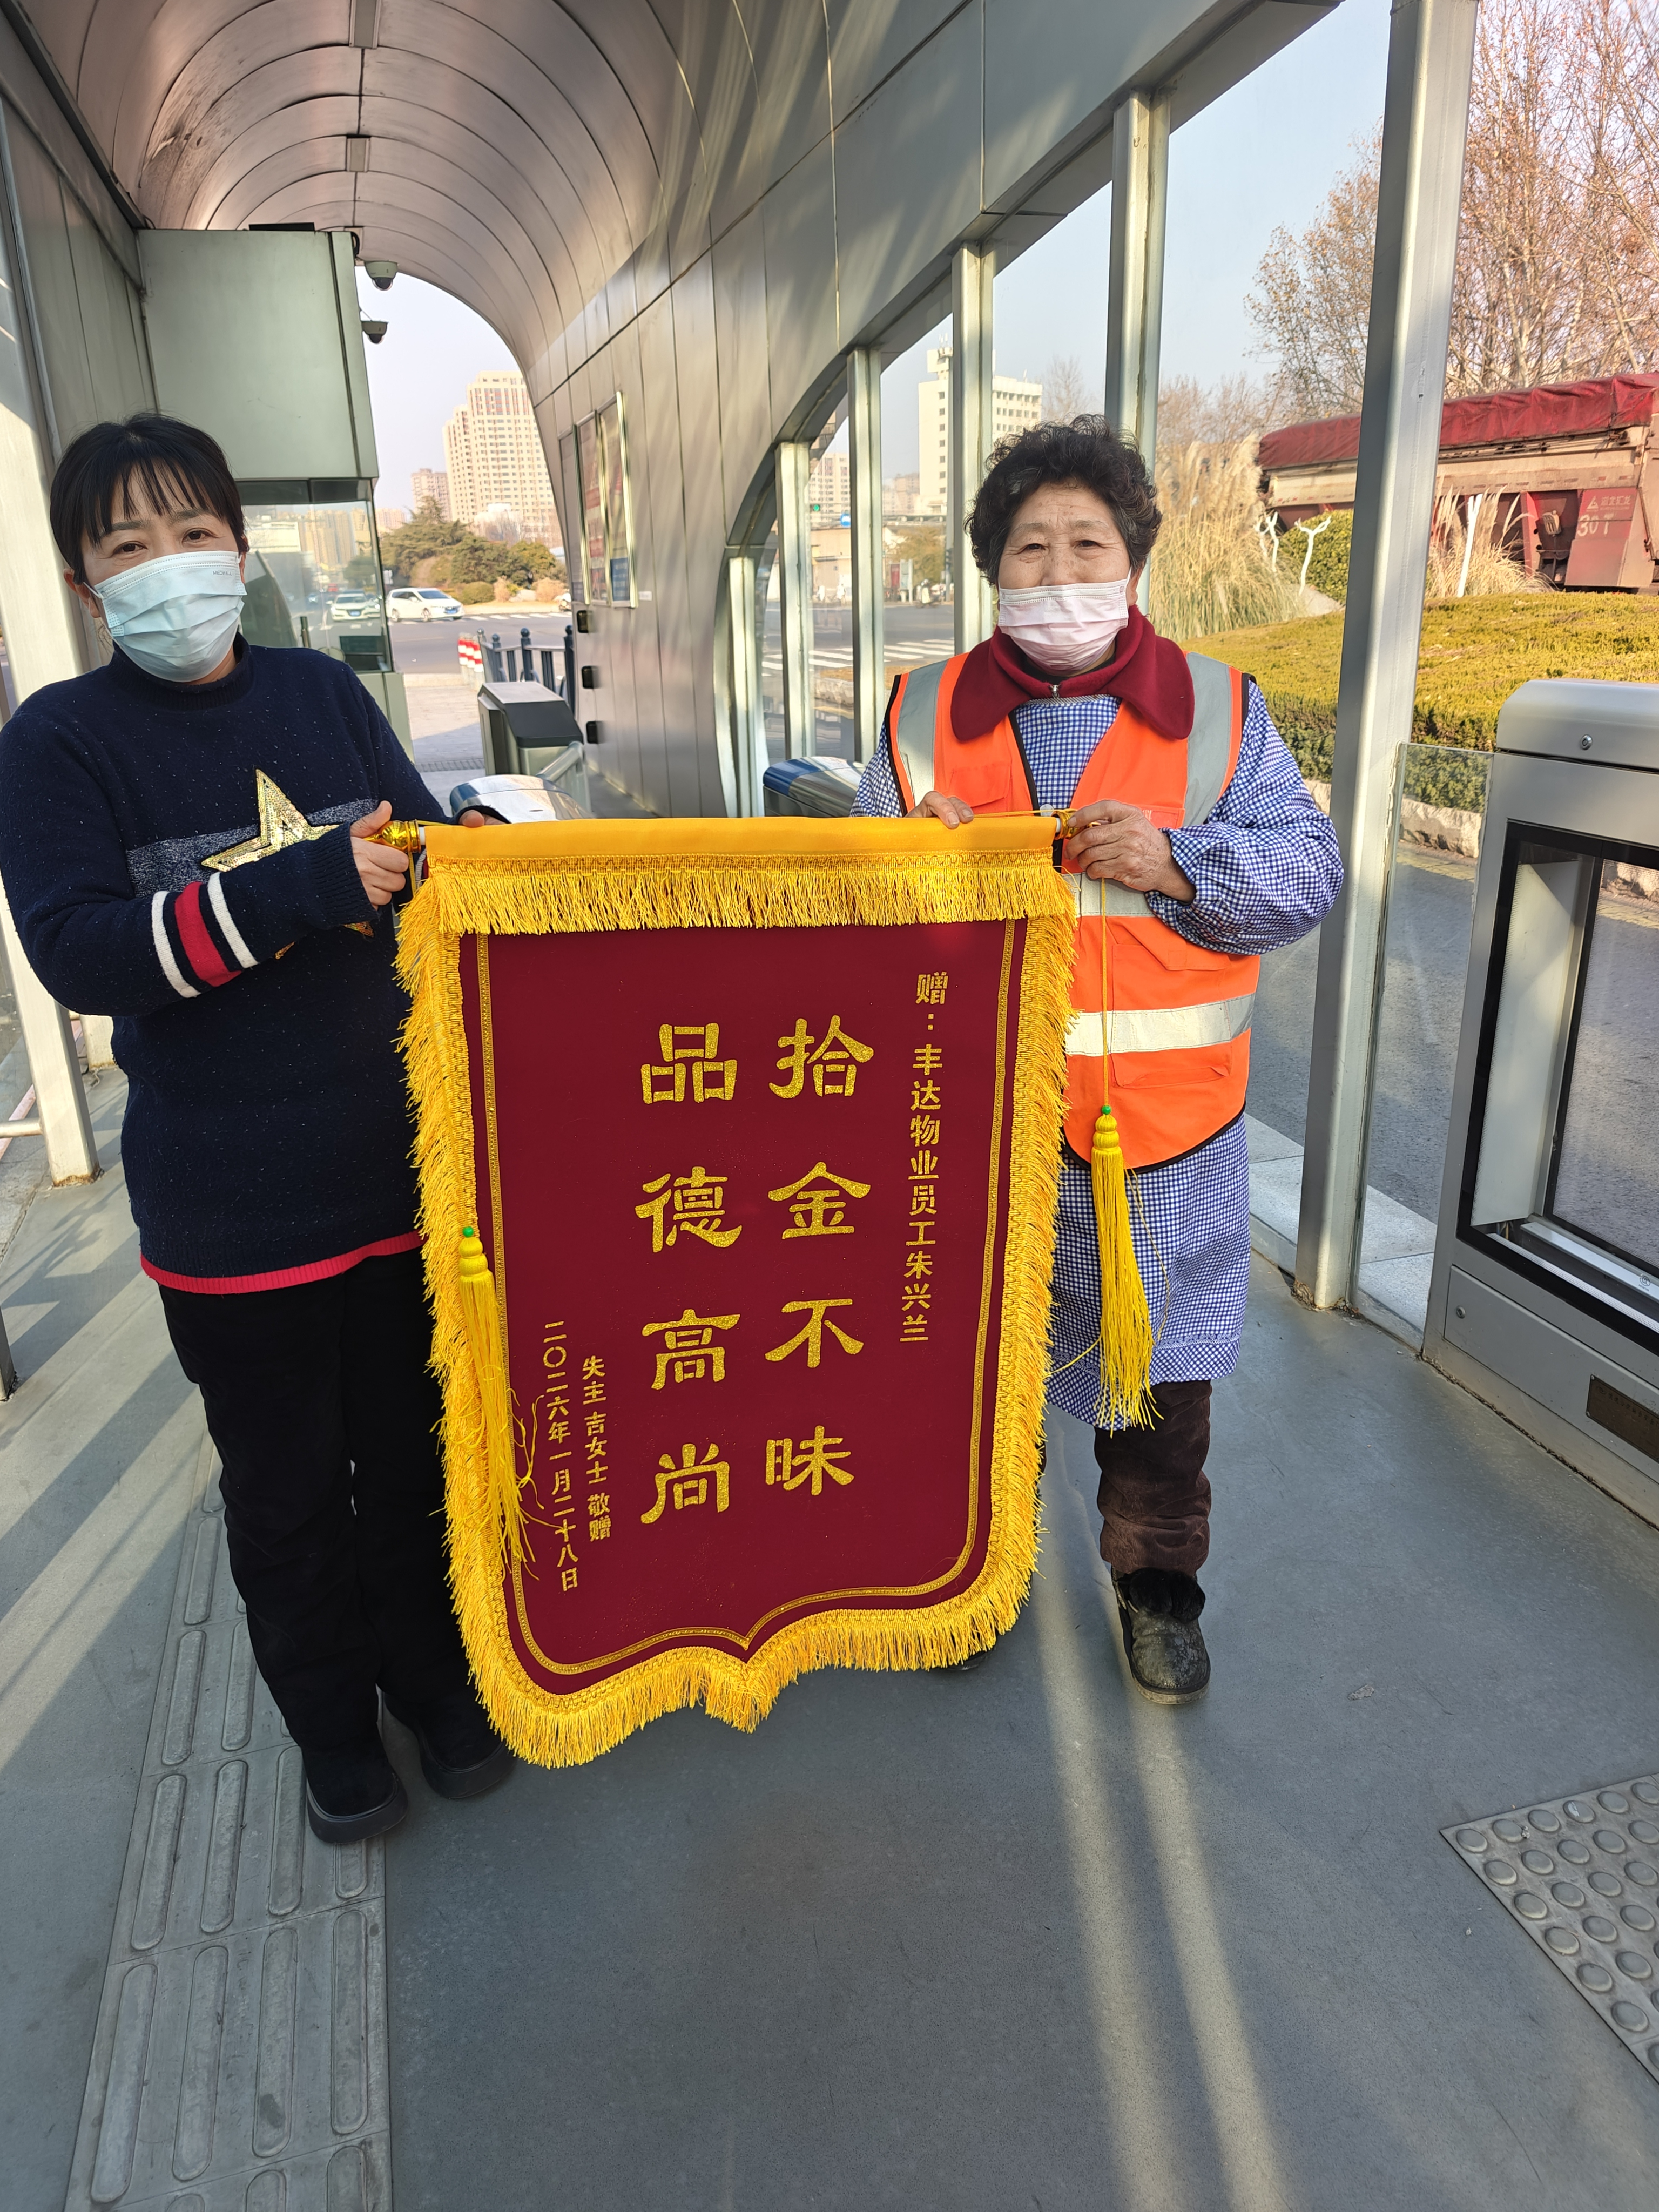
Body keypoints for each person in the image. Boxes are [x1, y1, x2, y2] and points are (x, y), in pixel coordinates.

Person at [0, 413, 508, 1838]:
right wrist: (299, 889)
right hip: (230, 1218)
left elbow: (414, 854)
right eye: (129, 546)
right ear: (85, 585)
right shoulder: (58, 742)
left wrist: (471, 854)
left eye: (194, 532)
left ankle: (436, 1684)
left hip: (397, 1181)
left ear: (238, 547)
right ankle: (333, 1734)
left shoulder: (323, 692)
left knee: (415, 1470)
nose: (170, 565)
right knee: (286, 1503)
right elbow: (81, 953)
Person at [853, 417, 1342, 1703]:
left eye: (1088, 543)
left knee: (1161, 1395)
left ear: (1132, 559)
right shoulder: (918, 716)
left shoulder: (1221, 708)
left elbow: (1308, 873)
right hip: (975, 1136)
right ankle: (975, 1576)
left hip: (1164, 1139)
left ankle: (1157, 1588)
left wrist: (1180, 861)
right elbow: (839, 899)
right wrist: (906, 857)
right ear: (991, 569)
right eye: (1031, 547)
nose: (1060, 571)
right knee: (979, 1381)